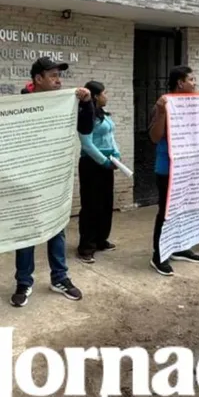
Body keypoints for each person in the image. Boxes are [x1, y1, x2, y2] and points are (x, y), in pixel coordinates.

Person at [10, 57, 94, 305]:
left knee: (56, 228)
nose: (59, 80)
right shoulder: (20, 103)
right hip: (27, 177)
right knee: (26, 232)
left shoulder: (67, 101)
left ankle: (60, 278)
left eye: (60, 75)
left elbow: (86, 129)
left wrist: (87, 103)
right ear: (38, 79)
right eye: (53, 75)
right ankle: (24, 282)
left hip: (55, 177)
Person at [149, 65, 199, 275]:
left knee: (185, 209)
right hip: (168, 169)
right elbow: (155, 137)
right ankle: (159, 255)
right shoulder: (163, 104)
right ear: (180, 83)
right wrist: (163, 112)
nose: (195, 83)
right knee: (166, 212)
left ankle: (180, 248)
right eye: (191, 79)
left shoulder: (194, 105)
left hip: (189, 168)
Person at [76, 80, 120, 263]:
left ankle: (101, 239)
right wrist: (102, 161)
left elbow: (111, 136)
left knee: (105, 203)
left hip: (107, 163)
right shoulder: (86, 115)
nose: (106, 96)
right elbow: (86, 144)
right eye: (104, 93)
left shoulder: (104, 114)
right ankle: (86, 246)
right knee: (91, 205)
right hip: (91, 164)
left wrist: (116, 154)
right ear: (95, 96)